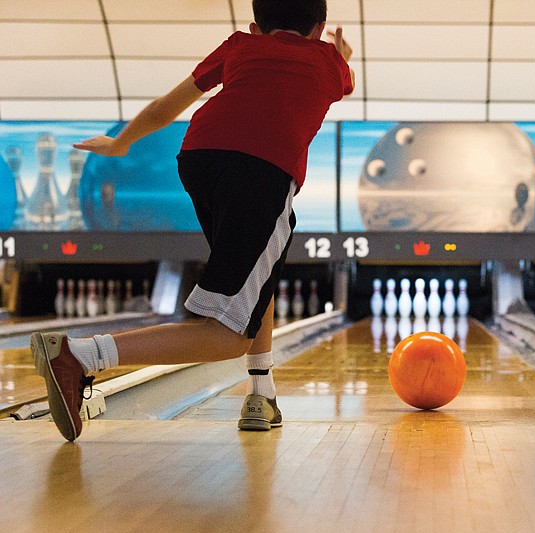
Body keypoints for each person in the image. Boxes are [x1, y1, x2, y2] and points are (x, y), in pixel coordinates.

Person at [29, 0, 354, 441]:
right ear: (319, 28)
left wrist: (121, 143)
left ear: (256, 26)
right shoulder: (329, 62)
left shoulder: (240, 46)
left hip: (198, 158)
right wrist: (340, 54)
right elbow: (342, 74)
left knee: (257, 275)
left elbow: (167, 106)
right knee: (227, 334)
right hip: (261, 170)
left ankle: (262, 393)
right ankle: (81, 355)